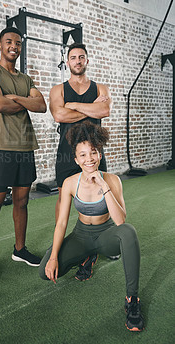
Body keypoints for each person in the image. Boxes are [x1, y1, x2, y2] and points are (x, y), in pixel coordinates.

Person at [39, 121, 144, 332]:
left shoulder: (113, 180)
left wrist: (104, 187)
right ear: (76, 160)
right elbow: (61, 223)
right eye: (83, 155)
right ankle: (86, 257)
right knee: (44, 272)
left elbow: (120, 221)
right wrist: (52, 258)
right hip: (81, 236)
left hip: (106, 237)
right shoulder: (70, 183)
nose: (89, 159)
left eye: (93, 153)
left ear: (100, 155)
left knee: (129, 232)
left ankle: (132, 300)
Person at [0, 26, 47, 290]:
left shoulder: (26, 79)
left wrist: (15, 97)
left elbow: (41, 106)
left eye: (18, 43)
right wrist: (23, 101)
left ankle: (20, 249)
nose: (14, 47)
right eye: (9, 42)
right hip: (0, 148)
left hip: (25, 147)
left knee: (22, 202)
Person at [49, 42, 113, 280]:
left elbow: (105, 111)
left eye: (81, 57)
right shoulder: (58, 90)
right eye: (73, 57)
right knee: (63, 199)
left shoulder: (100, 87)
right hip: (67, 153)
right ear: (68, 62)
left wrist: (74, 106)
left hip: (94, 152)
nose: (77, 61)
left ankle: (93, 250)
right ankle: (62, 246)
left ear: (87, 60)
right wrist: (91, 109)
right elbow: (59, 114)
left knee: (99, 199)